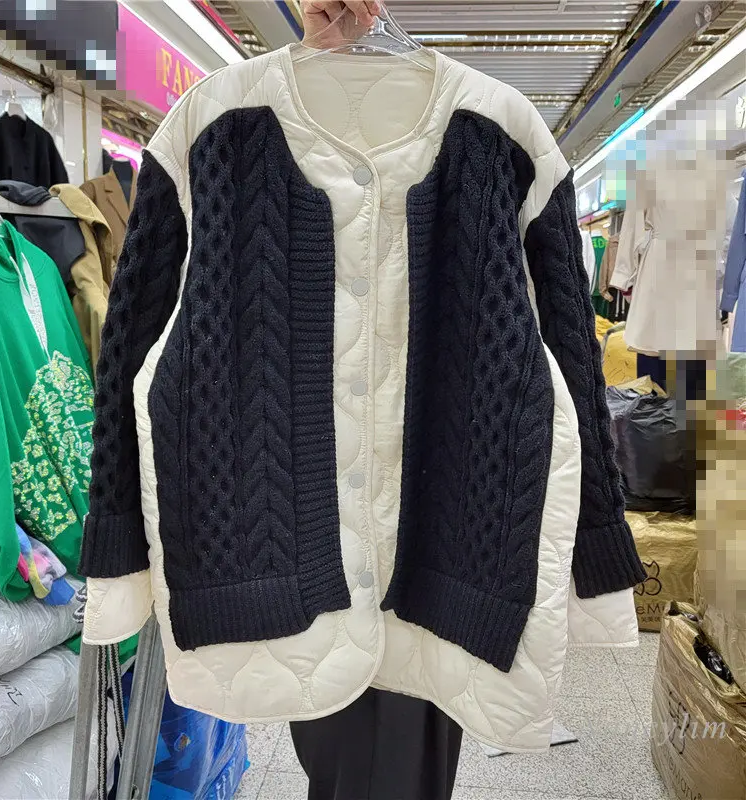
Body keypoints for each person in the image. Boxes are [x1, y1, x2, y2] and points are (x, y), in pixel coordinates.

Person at [286, 7, 465, 799]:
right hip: (312, 524)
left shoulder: (486, 136)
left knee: (395, 718)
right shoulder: (233, 130)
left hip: (429, 526)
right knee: (350, 727)